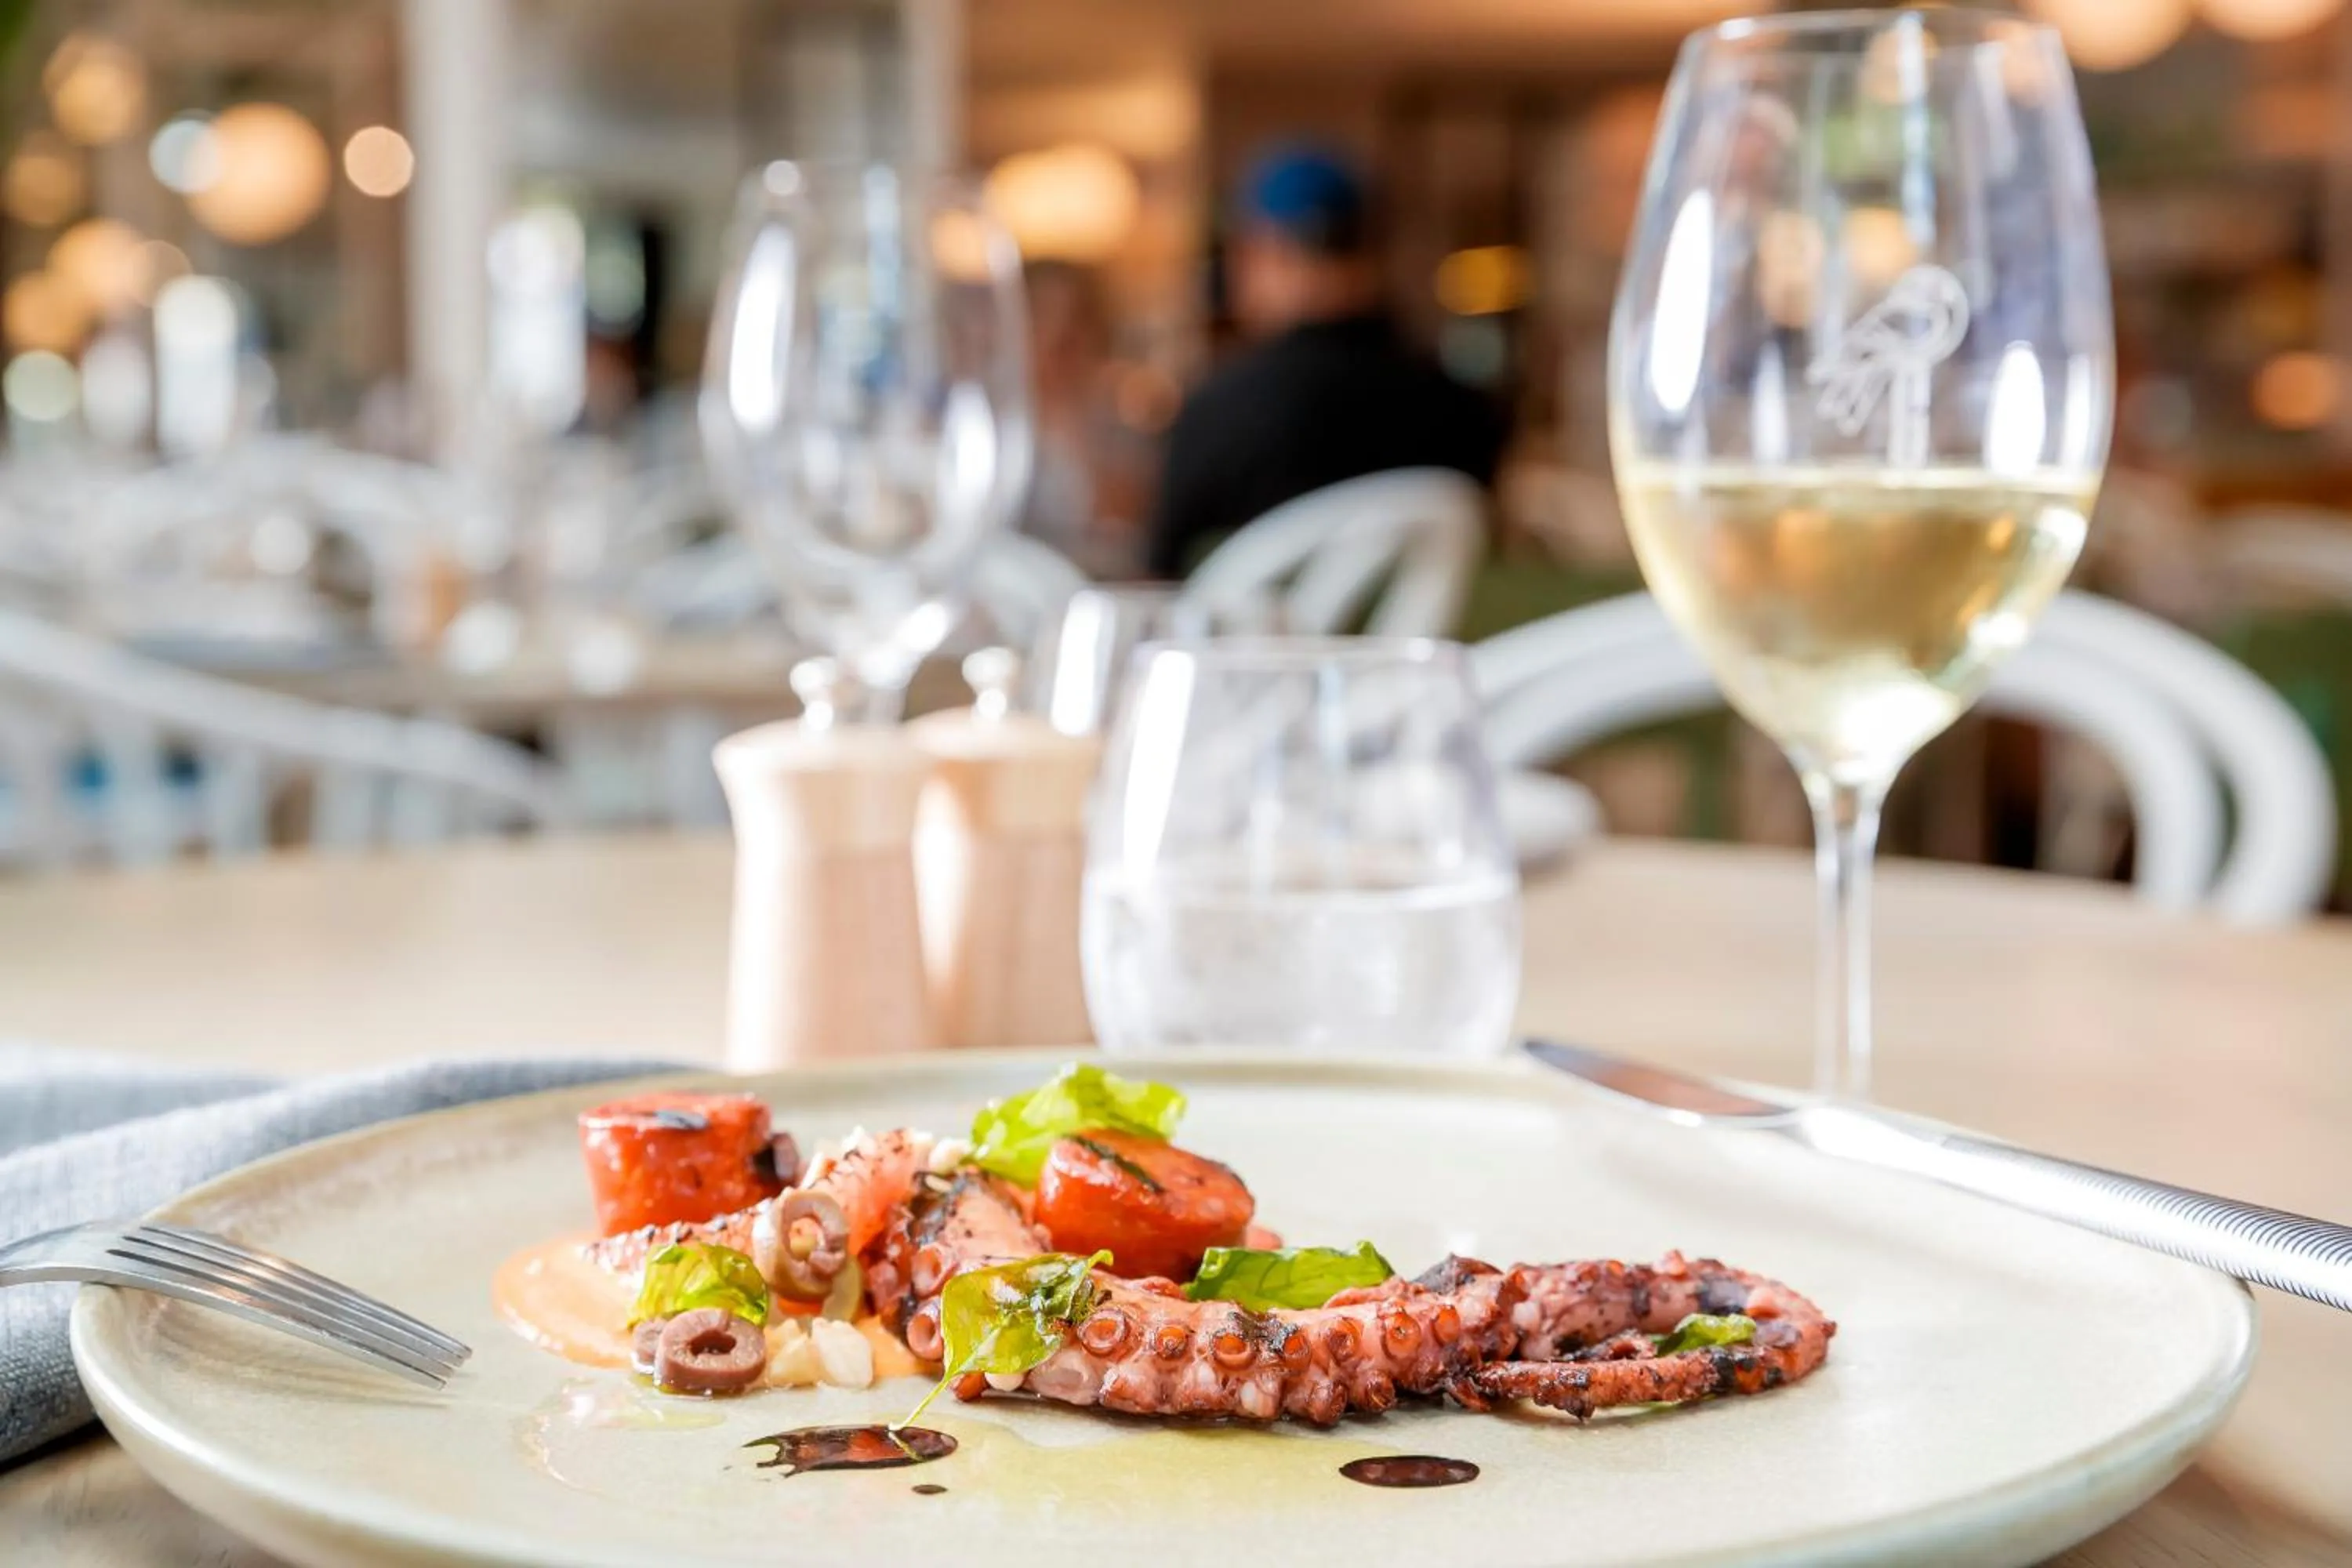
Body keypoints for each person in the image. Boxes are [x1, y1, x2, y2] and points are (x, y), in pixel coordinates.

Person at [1146, 144, 1510, 578]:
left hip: (1257, 645)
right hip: (1419, 643)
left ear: (1268, 251)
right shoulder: (1465, 410)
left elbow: (1163, 572)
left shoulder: (1219, 409)